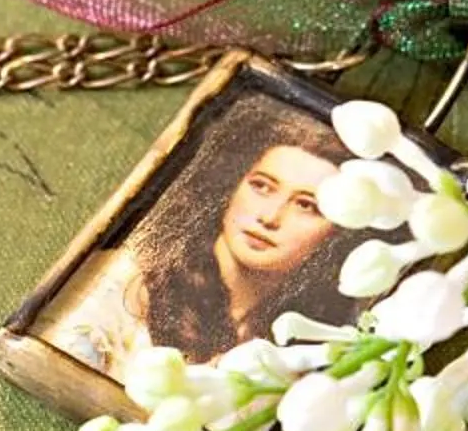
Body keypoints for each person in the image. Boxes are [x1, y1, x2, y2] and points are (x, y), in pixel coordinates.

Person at [44, 96, 352, 378]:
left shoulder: (305, 347)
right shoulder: (128, 283)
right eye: (262, 186)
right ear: (232, 186)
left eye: (306, 206)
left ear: (334, 233)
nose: (269, 217)